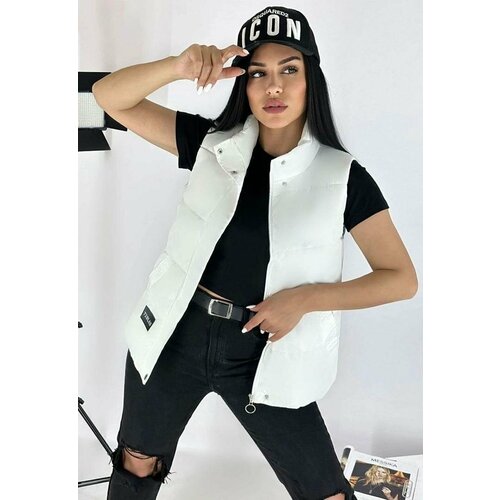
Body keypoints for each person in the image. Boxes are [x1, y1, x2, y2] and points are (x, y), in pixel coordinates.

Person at [92, 6, 418, 500]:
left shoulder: (343, 176)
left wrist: (306, 298)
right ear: (242, 85)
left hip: (265, 347)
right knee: (137, 459)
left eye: (289, 70)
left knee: (325, 490)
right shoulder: (209, 143)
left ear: (311, 80)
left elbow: (400, 278)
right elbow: (108, 97)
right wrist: (179, 67)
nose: (274, 88)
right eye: (258, 74)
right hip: (177, 332)